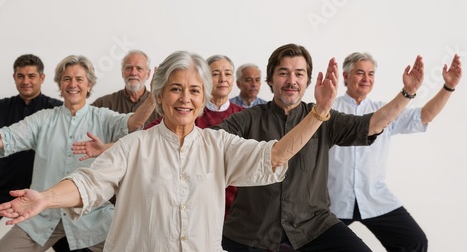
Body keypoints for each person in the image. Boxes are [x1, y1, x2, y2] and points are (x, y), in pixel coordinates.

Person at [0, 49, 338, 252]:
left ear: (203, 98)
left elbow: (274, 156)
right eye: (175, 89)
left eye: (195, 91)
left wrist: (319, 114)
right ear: (159, 94)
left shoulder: (219, 145)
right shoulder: (134, 145)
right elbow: (88, 182)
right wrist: (46, 198)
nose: (185, 99)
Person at [216, 43, 424, 251]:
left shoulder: (326, 118)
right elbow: (210, 143)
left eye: (299, 74)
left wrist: (407, 92)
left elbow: (373, 124)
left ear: (307, 81)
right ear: (270, 79)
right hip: (254, 232)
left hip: (314, 227)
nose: (291, 81)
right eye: (283, 73)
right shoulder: (247, 119)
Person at [0, 55, 149, 251]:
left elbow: (134, 123)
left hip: (90, 216)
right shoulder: (43, 118)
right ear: (60, 85)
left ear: (89, 85)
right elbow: (4, 137)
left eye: (79, 79)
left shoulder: (103, 117)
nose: (73, 84)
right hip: (40, 214)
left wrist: (155, 96)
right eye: (67, 79)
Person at [328, 52, 462, 251]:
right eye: (360, 73)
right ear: (346, 77)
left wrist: (449, 87)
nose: (366, 79)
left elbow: (424, 116)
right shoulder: (328, 110)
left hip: (375, 198)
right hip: (333, 201)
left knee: (414, 242)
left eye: (371, 74)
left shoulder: (385, 111)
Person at [0, 54, 78, 252]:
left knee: (73, 241)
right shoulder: (1, 108)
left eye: (31, 76)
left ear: (42, 78)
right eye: (20, 76)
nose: (26, 81)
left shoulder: (56, 110)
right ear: (14, 77)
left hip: (43, 192)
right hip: (2, 187)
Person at [145, 54, 244, 217]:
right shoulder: (186, 114)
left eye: (227, 73)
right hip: (193, 205)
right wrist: (107, 147)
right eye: (215, 73)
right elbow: (145, 138)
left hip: (235, 210)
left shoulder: (243, 116)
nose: (222, 79)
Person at [91, 49, 159, 126]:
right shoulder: (103, 103)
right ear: (122, 72)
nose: (133, 73)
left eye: (139, 68)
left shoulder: (160, 105)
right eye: (129, 68)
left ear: (148, 74)